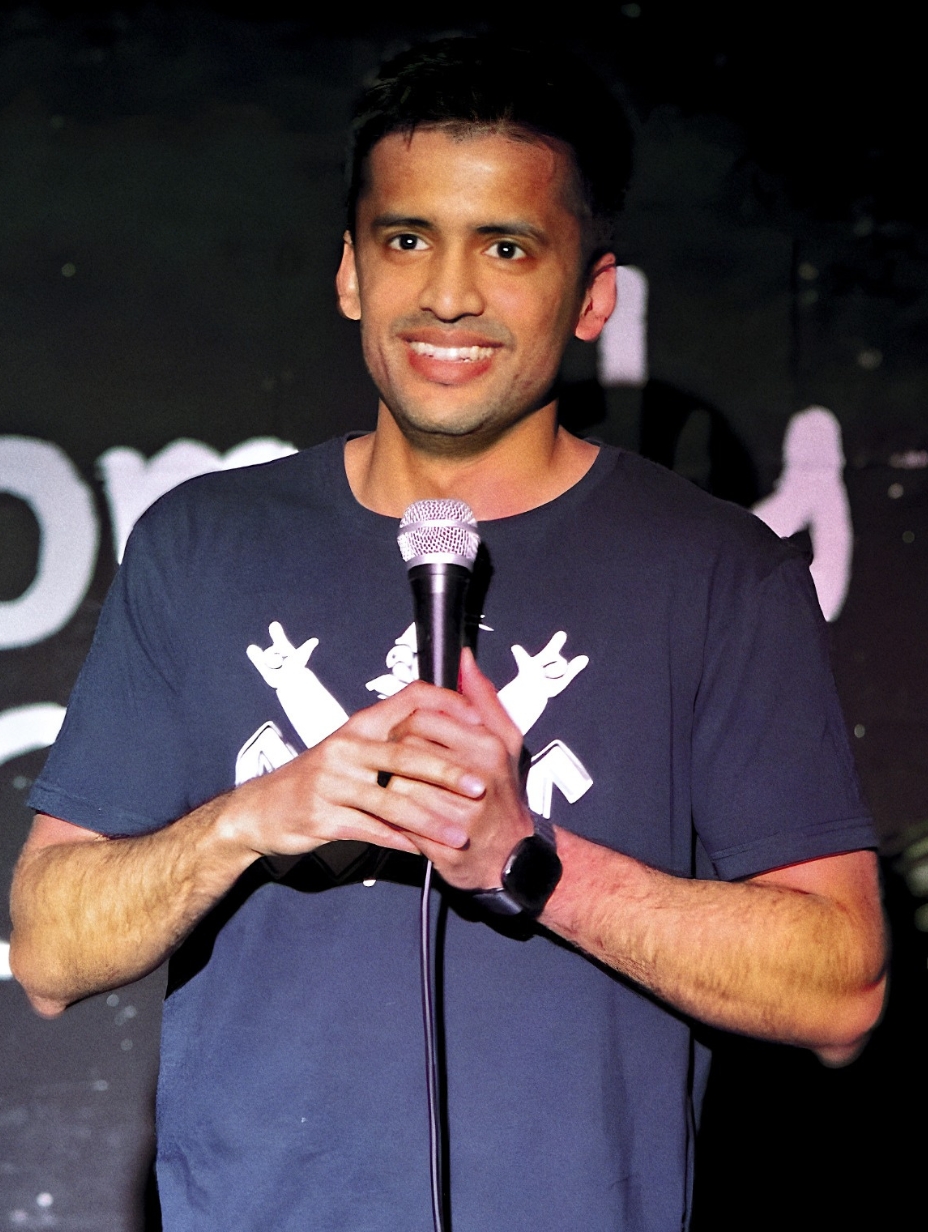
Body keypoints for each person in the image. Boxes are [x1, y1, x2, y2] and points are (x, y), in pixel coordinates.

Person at [10, 36, 886, 1232]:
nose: (447, 294)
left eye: (507, 246)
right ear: (349, 273)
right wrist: (256, 814)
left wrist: (526, 859)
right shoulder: (201, 543)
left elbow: (840, 979)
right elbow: (52, 949)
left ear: (592, 294)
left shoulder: (714, 570)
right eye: (407, 239)